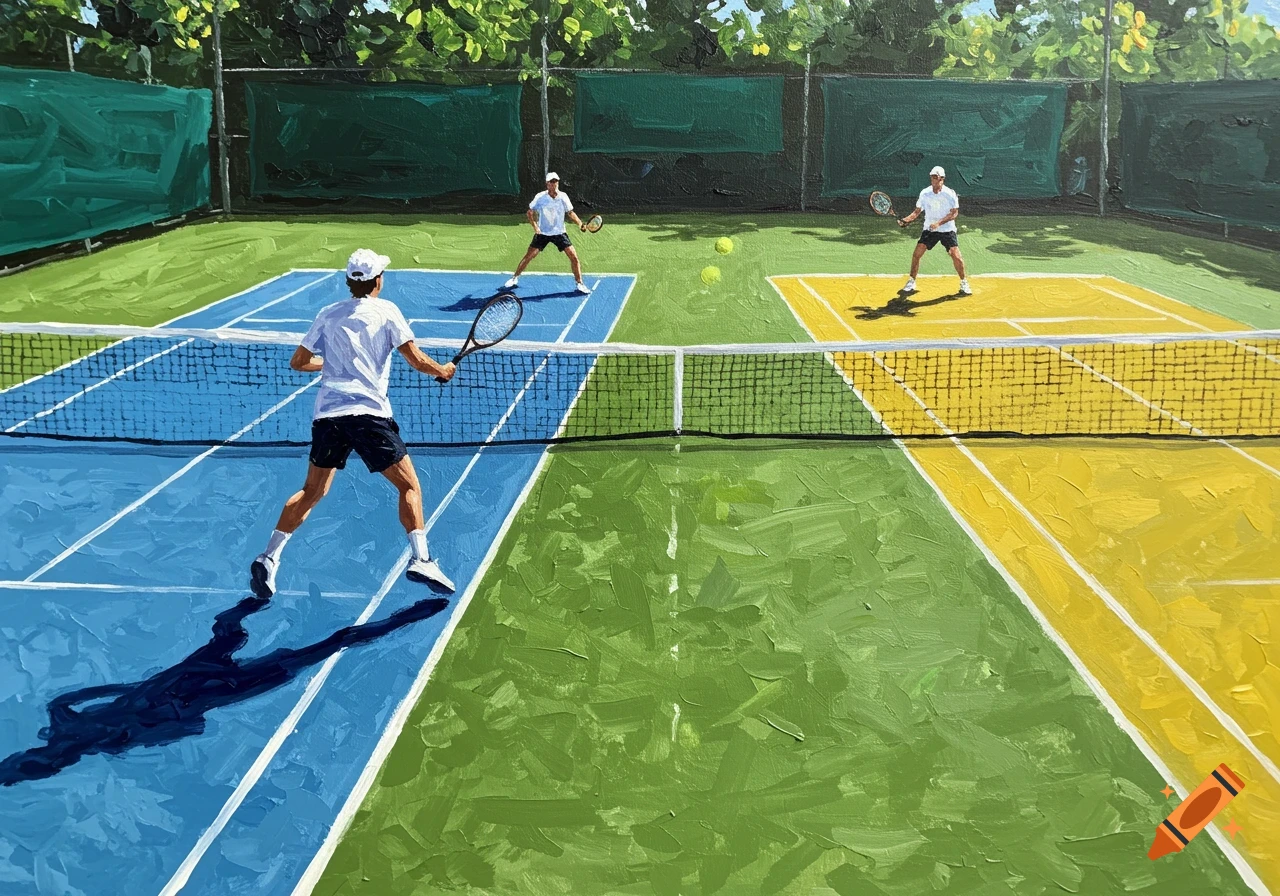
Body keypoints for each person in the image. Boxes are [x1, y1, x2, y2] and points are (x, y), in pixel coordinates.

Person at [250, 249, 457, 600]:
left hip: (328, 417)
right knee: (409, 487)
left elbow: (299, 362)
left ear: (349, 282)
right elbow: (417, 360)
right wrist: (443, 370)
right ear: (377, 281)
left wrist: (332, 367)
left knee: (312, 491)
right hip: (368, 415)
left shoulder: (327, 314)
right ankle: (421, 558)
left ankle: (268, 557)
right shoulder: (388, 311)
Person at [504, 172, 591, 294]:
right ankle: (514, 278)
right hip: (543, 234)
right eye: (551, 182)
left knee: (574, 257)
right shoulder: (540, 197)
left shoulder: (563, 196)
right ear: (547, 184)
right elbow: (530, 212)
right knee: (529, 256)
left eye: (555, 181)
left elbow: (570, 213)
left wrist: (580, 224)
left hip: (560, 233)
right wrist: (535, 228)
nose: (554, 184)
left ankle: (579, 284)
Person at [897, 165, 971, 296]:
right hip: (929, 230)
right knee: (917, 254)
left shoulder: (950, 194)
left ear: (942, 179)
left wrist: (939, 223)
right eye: (933, 177)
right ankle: (911, 281)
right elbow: (916, 212)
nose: (935, 180)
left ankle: (964, 282)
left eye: (938, 178)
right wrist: (906, 220)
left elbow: (954, 214)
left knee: (956, 256)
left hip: (947, 230)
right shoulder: (925, 193)